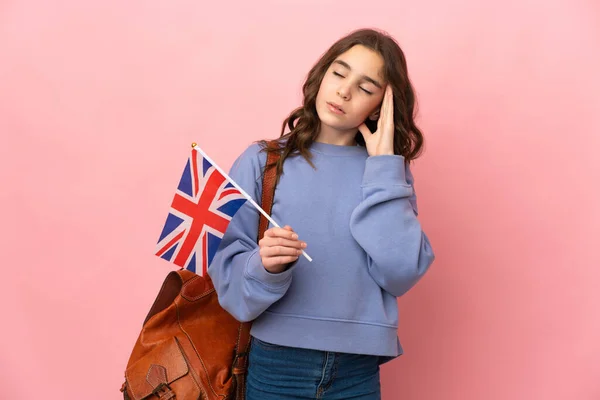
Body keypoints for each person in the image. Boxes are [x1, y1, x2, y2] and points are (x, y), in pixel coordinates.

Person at [208, 27, 436, 400]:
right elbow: (228, 280)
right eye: (339, 73)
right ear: (322, 74)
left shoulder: (388, 172)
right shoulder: (262, 162)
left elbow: (401, 271)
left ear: (381, 105)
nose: (345, 91)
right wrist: (266, 266)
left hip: (357, 371)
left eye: (365, 87)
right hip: (275, 364)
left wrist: (383, 166)